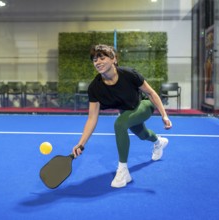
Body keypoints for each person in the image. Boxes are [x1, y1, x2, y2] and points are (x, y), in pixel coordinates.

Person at [72, 44, 172, 188]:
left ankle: (123, 171)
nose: (97, 62)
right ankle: (159, 142)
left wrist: (164, 115)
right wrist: (81, 143)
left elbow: (151, 93)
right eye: (94, 60)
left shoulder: (129, 74)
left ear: (113, 59)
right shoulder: (95, 88)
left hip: (143, 105)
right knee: (143, 135)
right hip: (127, 112)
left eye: (101, 58)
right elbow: (92, 118)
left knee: (119, 124)